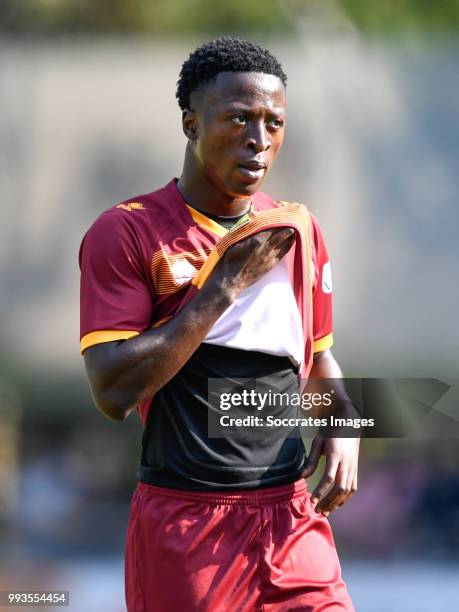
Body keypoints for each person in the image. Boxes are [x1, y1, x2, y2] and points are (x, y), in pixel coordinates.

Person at [79, 36, 359, 611]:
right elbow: (112, 390)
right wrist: (222, 289)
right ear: (190, 124)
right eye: (239, 119)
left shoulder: (297, 230)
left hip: (290, 521)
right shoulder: (127, 232)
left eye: (274, 122)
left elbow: (320, 356)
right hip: (187, 528)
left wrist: (347, 423)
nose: (260, 141)